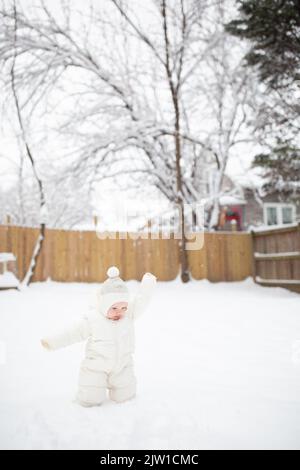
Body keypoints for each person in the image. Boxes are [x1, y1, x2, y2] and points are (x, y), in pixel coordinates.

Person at [41, 266, 157, 407]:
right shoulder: (93, 319)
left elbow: (142, 300)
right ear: (104, 304)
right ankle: (87, 402)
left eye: (123, 307)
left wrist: (148, 284)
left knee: (125, 397)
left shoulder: (128, 316)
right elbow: (71, 333)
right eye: (114, 308)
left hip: (123, 365)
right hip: (96, 365)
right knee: (90, 396)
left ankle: (124, 400)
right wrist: (51, 342)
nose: (119, 312)